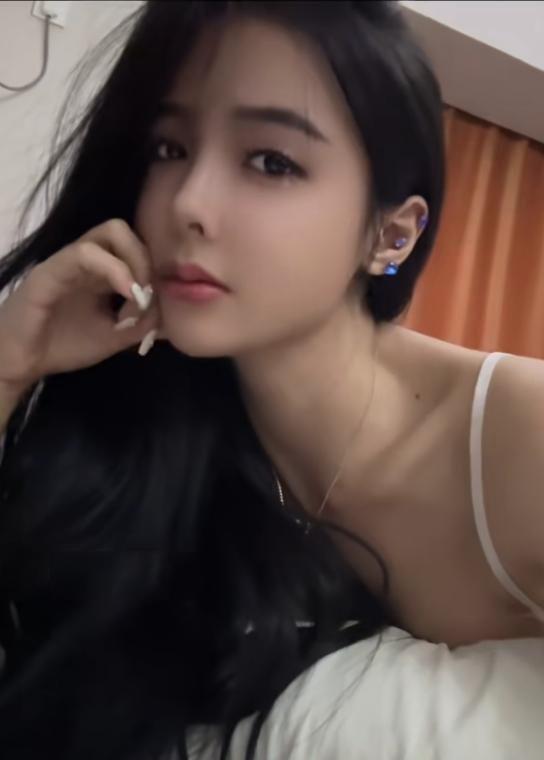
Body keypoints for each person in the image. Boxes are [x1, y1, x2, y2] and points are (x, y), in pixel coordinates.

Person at [0, 1, 542, 758]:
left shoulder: (521, 437)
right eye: (168, 148)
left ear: (392, 234)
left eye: (271, 162)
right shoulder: (150, 431)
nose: (187, 203)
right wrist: (7, 367)